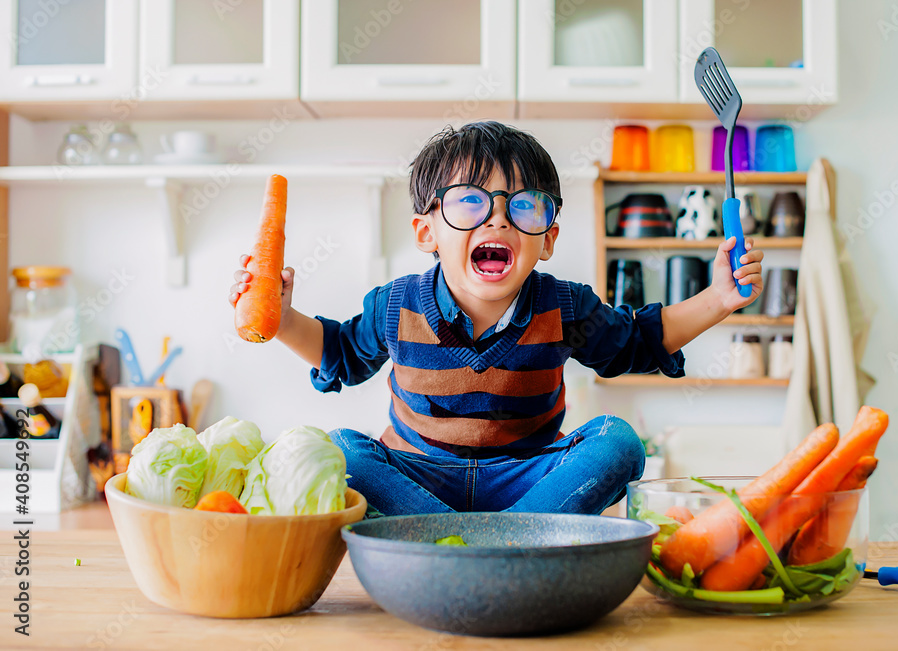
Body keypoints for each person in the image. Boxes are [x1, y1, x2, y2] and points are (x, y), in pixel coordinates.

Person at [229, 121, 763, 517]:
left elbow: (638, 343)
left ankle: (503, 535)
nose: (500, 217)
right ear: (426, 232)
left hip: (529, 481)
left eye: (525, 206)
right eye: (469, 202)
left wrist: (717, 298)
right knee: (341, 449)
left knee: (617, 441)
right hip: (421, 481)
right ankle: (465, 539)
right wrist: (279, 317)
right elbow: (338, 352)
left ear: (548, 239)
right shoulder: (396, 306)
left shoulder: (565, 308)